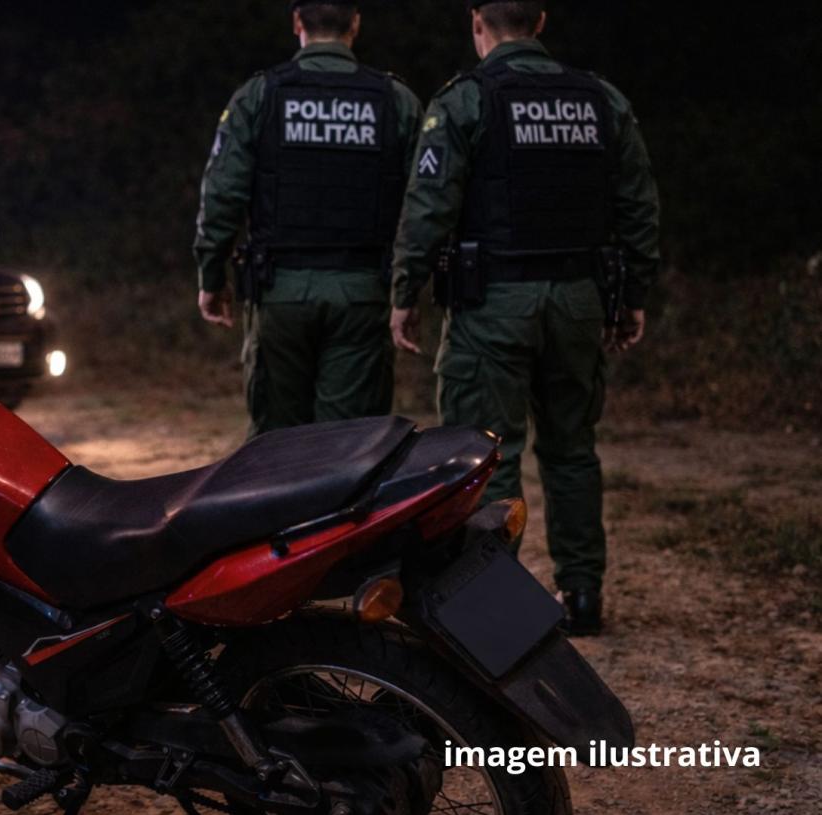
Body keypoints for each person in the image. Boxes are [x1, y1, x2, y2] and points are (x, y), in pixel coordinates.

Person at [389, 0, 661, 635]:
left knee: (488, 454)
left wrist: (405, 291)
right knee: (571, 450)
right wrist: (631, 296)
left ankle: (496, 610)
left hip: (492, 304)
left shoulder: (465, 101)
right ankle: (584, 595)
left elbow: (429, 207)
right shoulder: (600, 100)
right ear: (541, 22)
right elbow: (639, 206)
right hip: (577, 300)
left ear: (477, 23)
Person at [194, 0, 422, 436]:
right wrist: (408, 287)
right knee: (347, 448)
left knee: (277, 450)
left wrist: (210, 276)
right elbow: (423, 203)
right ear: (355, 23)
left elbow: (222, 194)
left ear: (297, 22)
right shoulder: (396, 100)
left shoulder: (259, 95)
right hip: (362, 293)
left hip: (280, 292)